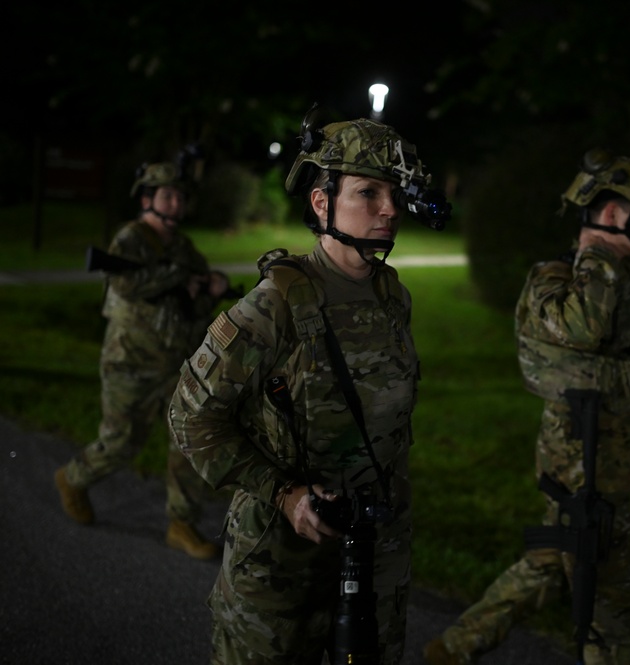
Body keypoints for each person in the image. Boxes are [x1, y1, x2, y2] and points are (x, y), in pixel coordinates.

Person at [167, 111, 451, 664]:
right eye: (368, 192)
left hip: (373, 555)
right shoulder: (275, 305)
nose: (389, 209)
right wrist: (283, 492)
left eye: (394, 192)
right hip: (280, 562)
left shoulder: (393, 297)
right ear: (322, 204)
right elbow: (190, 416)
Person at [424, 148, 630, 665]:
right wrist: (597, 252)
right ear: (616, 215)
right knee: (611, 612)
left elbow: (615, 370)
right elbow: (581, 359)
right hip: (582, 473)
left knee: (548, 561)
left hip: (609, 459)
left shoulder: (623, 279)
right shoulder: (555, 282)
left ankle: (453, 647)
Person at [54, 157, 232, 560]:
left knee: (189, 440)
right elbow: (126, 284)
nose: (175, 205)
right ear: (148, 199)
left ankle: (182, 523)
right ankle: (72, 478)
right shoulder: (131, 240)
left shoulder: (184, 247)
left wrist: (211, 286)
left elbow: (196, 301)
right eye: (167, 196)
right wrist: (178, 278)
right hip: (130, 362)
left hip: (177, 364)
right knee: (121, 443)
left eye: (180, 198)